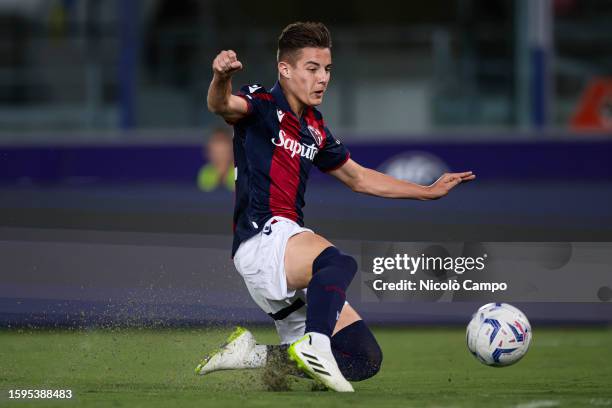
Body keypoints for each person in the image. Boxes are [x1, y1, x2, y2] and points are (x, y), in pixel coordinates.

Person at [196, 22, 475, 392]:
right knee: (337, 262)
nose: (322, 78)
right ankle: (315, 343)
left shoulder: (314, 128)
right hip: (262, 239)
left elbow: (359, 178)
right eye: (312, 68)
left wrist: (428, 191)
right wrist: (220, 77)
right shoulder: (262, 104)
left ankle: (252, 355)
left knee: (361, 358)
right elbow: (221, 104)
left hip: (281, 254)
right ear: (286, 69)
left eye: (327, 69)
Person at [197, 127, 235, 192]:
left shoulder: (239, 171)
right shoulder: (205, 172)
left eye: (223, 152)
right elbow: (205, 192)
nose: (220, 156)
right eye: (216, 153)